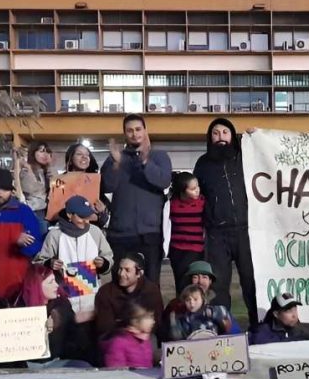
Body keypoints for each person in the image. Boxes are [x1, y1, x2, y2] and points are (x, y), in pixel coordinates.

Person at [193, 118, 259, 326]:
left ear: (232, 135)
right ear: (209, 138)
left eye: (225, 132)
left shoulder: (245, 157)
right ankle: (222, 329)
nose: (220, 136)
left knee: (251, 281)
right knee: (219, 286)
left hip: (246, 231)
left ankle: (259, 327)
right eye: (215, 133)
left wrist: (258, 138)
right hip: (216, 234)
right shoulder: (202, 164)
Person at [101, 115, 172, 285]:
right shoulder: (115, 158)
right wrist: (117, 164)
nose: (134, 134)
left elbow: (163, 181)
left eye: (138, 129)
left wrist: (145, 160)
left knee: (150, 284)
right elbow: (105, 186)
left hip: (150, 233)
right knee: (121, 283)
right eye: (130, 130)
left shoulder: (159, 156)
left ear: (145, 131)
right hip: (120, 233)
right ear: (125, 133)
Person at [33, 195, 114, 326]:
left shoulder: (95, 232)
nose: (85, 221)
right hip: (65, 297)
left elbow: (109, 257)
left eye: (87, 217)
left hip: (91, 298)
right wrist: (50, 263)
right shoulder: (55, 235)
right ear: (70, 215)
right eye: (81, 217)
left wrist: (103, 264)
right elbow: (39, 261)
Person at [0, 168, 44, 302]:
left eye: (5, 189)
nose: (0, 193)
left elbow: (36, 247)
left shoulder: (24, 212)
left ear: (11, 191)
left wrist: (23, 244)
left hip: (15, 285)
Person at [18, 265, 94, 366]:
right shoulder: (21, 309)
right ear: (37, 286)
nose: (56, 285)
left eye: (55, 281)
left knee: (85, 366)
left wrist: (78, 320)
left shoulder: (62, 305)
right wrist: (43, 330)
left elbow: (72, 335)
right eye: (50, 282)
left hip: (56, 361)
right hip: (30, 364)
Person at [161, 260, 244, 338]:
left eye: (204, 277)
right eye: (195, 277)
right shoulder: (176, 305)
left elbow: (234, 333)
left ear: (210, 281)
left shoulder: (219, 303)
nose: (200, 281)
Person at [93, 252, 164, 339]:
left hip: (143, 337)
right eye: (120, 269)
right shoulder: (106, 292)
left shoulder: (151, 291)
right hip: (115, 341)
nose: (121, 274)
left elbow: (156, 323)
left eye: (127, 270)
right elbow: (104, 328)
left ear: (139, 274)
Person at [167, 171, 205, 293]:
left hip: (197, 251)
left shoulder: (203, 203)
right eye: (193, 189)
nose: (197, 190)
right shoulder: (171, 205)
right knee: (182, 286)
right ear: (183, 191)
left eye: (197, 186)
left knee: (197, 286)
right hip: (178, 251)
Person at [63, 141, 110, 227]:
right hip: (67, 229)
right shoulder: (60, 181)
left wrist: (103, 211)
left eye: (87, 155)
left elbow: (104, 218)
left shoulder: (97, 182)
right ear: (70, 160)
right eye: (79, 154)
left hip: (92, 229)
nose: (84, 157)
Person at [101, 299, 155, 369]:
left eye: (152, 316)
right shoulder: (118, 343)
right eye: (148, 317)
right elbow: (116, 373)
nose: (153, 321)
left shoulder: (145, 339)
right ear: (134, 321)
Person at [168, 284, 234, 341]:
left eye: (195, 299)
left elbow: (227, 323)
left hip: (214, 345)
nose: (191, 303)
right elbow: (177, 337)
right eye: (188, 300)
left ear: (203, 299)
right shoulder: (184, 319)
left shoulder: (212, 311)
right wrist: (174, 323)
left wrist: (213, 313)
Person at [19, 141, 54, 215]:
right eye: (41, 151)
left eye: (47, 152)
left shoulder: (47, 171)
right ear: (33, 153)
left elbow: (57, 190)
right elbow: (31, 188)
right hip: (31, 211)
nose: (45, 155)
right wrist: (29, 169)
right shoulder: (26, 170)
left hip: (46, 212)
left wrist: (50, 166)